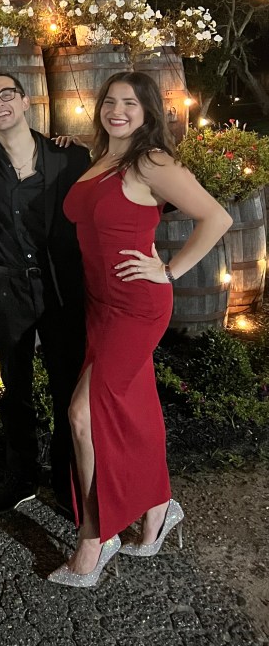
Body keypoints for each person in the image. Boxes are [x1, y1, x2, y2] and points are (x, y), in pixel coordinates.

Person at [47, 71, 233, 588]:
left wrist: (169, 270)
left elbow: (216, 218)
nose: (118, 110)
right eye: (110, 101)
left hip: (137, 305)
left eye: (130, 103)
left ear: (149, 110)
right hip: (100, 305)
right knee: (138, 409)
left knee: (83, 414)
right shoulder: (99, 158)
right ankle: (158, 509)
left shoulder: (151, 161)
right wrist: (65, 143)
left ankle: (96, 535)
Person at [0, 70, 90, 522]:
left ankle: (65, 479)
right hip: (8, 285)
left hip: (59, 286)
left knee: (66, 385)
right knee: (14, 387)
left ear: (25, 101)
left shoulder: (69, 155)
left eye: (7, 94)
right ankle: (21, 476)